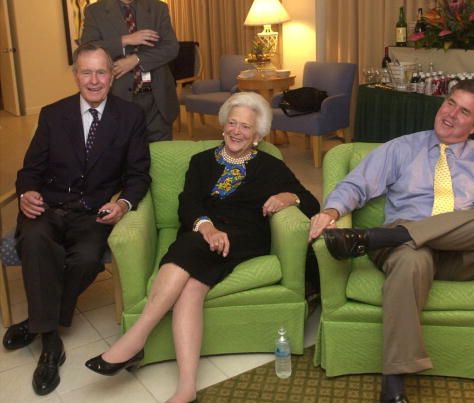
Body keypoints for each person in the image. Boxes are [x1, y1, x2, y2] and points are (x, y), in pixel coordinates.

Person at [85, 92, 319, 403]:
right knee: (191, 288)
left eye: (245, 127)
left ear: (258, 136)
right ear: (223, 126)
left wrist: (288, 197)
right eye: (232, 123)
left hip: (244, 235)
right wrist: (206, 226)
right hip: (203, 230)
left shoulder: (269, 165)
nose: (236, 131)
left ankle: (136, 338)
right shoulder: (201, 161)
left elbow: (312, 201)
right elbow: (188, 204)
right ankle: (187, 388)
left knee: (191, 248)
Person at [308, 80, 474, 403]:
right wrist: (331, 210)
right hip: (408, 252)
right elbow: (356, 184)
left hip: (460, 256)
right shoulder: (402, 148)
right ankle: (392, 388)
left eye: (464, 111)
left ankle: (382, 237)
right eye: (450, 103)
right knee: (411, 257)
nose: (450, 113)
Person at [2, 44, 151, 396]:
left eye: (102, 72)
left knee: (86, 260)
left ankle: (38, 323)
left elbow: (138, 175)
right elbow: (29, 170)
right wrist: (27, 193)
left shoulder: (130, 116)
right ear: (76, 76)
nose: (94, 80)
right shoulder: (54, 114)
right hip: (47, 207)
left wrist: (124, 205)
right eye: (86, 72)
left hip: (92, 213)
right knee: (36, 244)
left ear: (112, 76)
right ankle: (50, 346)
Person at [81, 0, 179, 142]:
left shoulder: (158, 8)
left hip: (157, 101)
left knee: (160, 161)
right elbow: (86, 50)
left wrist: (136, 60)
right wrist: (125, 40)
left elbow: (171, 47)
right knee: (125, 160)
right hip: (119, 100)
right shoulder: (96, 12)